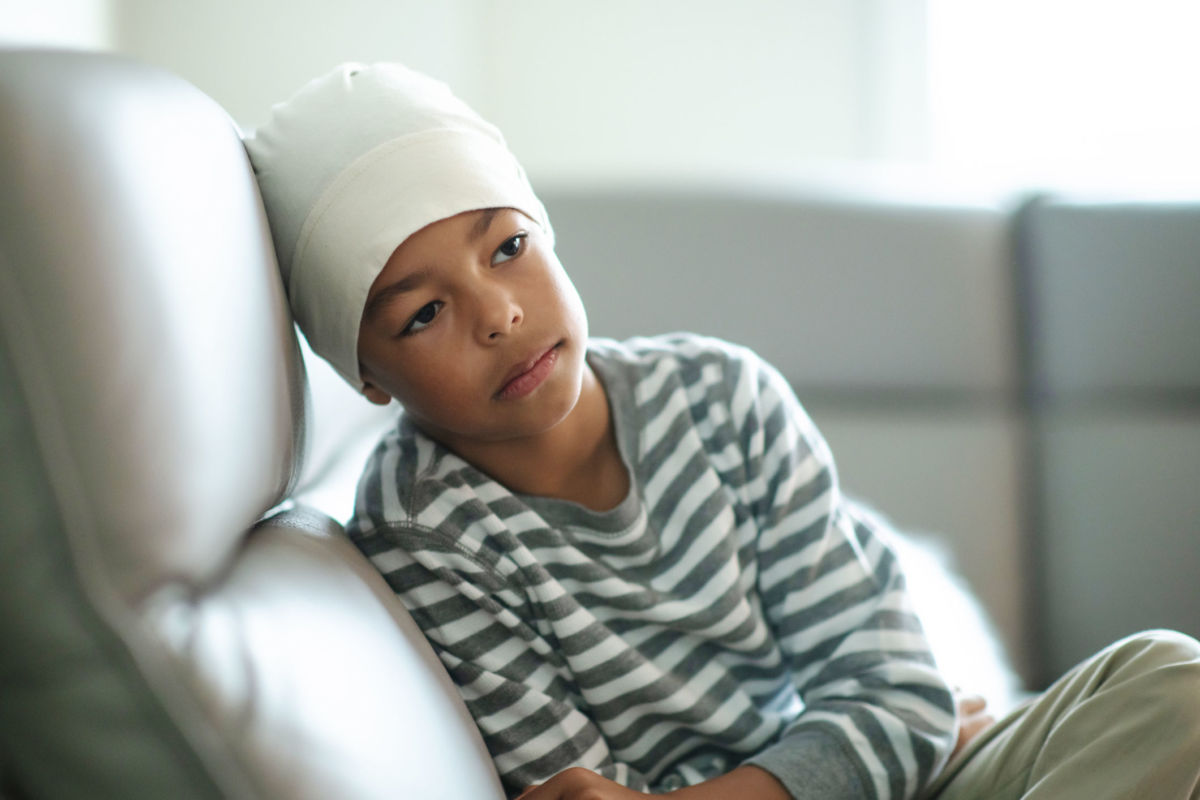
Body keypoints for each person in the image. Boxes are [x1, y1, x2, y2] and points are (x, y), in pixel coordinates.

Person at [245, 63, 1200, 800]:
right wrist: (872, 752)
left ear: (546, 231)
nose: (497, 314)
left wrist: (885, 747)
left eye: (508, 247)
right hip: (850, 780)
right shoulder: (423, 533)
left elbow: (900, 696)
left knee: (1171, 679)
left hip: (867, 780)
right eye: (423, 315)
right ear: (365, 375)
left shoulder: (721, 394)